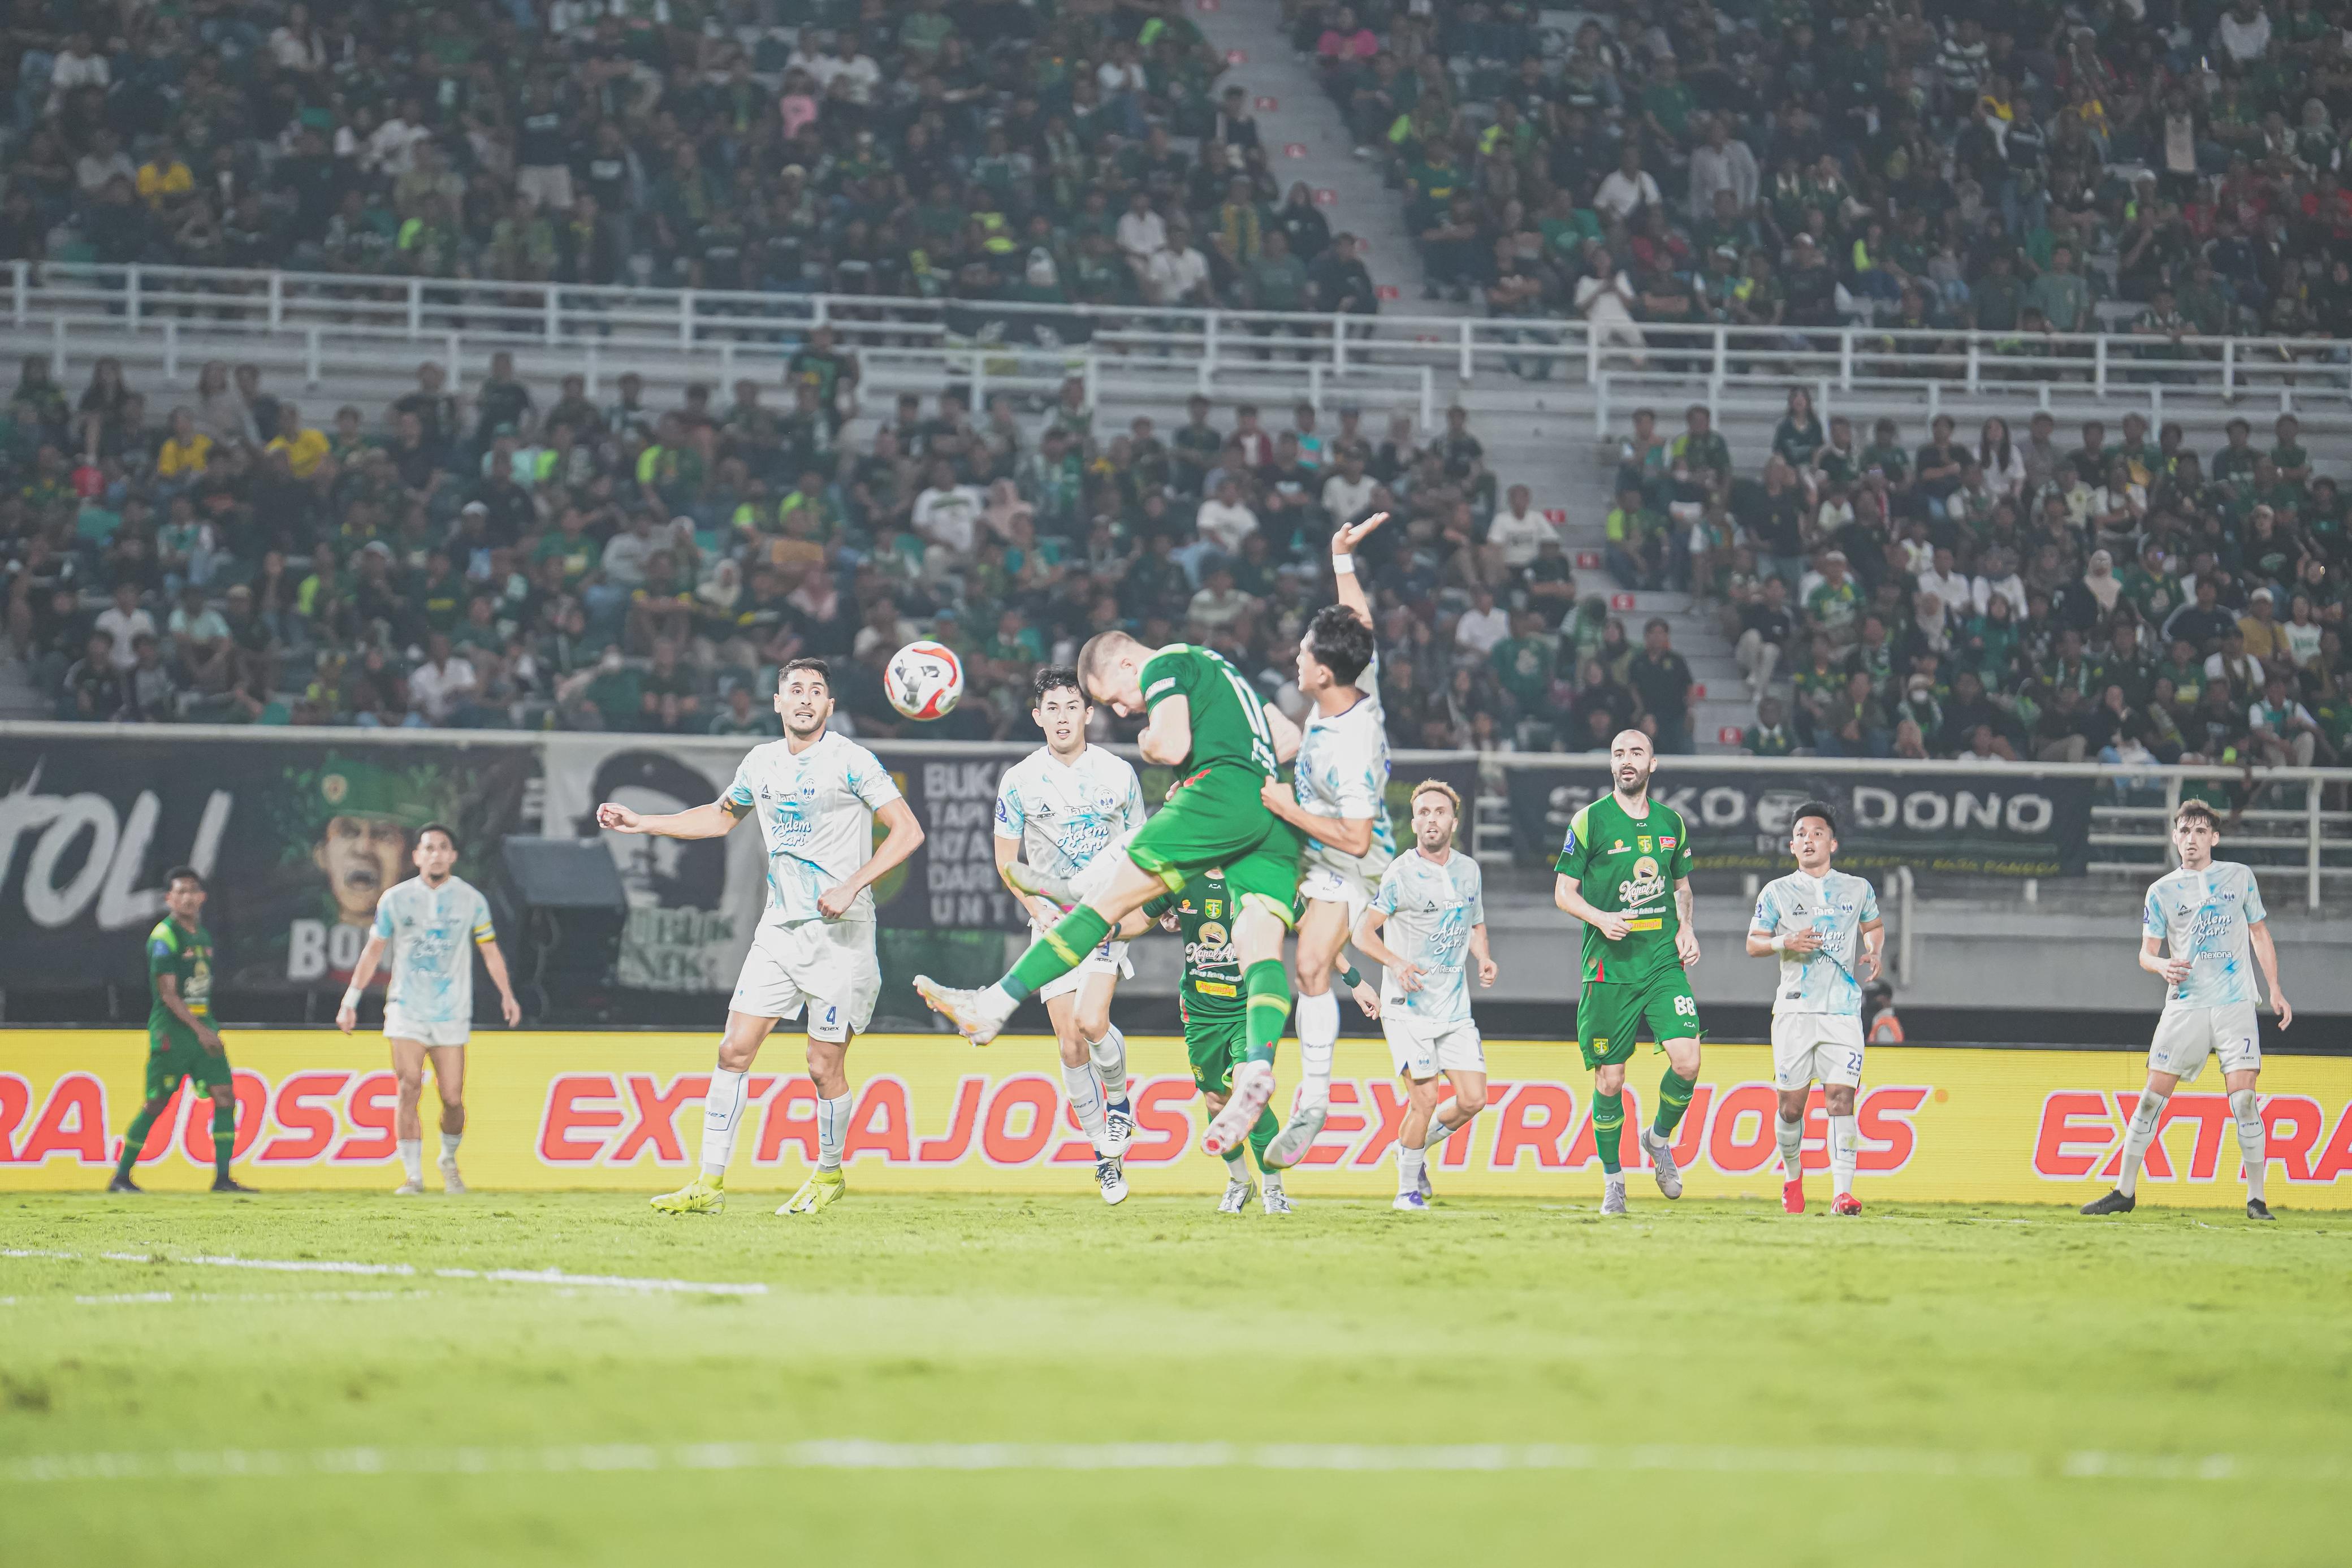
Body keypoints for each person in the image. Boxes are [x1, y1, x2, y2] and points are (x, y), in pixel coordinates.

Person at [918, 632, 1307, 1160]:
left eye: (1115, 698)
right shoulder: (1225, 668)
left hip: (1216, 797)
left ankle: (992, 1006)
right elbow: (1287, 739)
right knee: (1259, 942)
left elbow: (1166, 746)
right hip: (1270, 808)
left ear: (1127, 663)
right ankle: (1260, 1063)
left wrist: (1156, 744)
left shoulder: (1167, 663)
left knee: (1101, 905)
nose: (1124, 709)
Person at [600, 659, 925, 1217]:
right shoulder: (761, 762)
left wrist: (852, 884)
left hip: (840, 934)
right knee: (733, 1050)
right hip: (778, 930)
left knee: (822, 1066)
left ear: (828, 706)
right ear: (776, 702)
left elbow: (908, 830)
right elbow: (720, 818)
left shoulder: (850, 759)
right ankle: (708, 1183)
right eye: (794, 689)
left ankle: (828, 1174)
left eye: (815, 691)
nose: (804, 698)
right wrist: (642, 822)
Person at [1252, 513, 1392, 1168]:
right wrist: (1340, 559)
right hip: (1320, 850)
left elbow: (1360, 838)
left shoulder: (1350, 749)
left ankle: (1313, 1101)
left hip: (1350, 862)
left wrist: (1284, 804)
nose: (1297, 657)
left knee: (1309, 965)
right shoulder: (1351, 687)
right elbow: (1358, 626)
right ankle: (1306, 1093)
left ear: (1324, 675)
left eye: (1305, 654)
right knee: (1307, 964)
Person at [2083, 800, 2292, 1221]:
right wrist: (2162, 966)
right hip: (2186, 1007)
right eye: (2185, 831)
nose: (2192, 839)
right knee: (2149, 1102)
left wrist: (2275, 989)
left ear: (2214, 838)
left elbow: (2260, 934)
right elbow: (2146, 954)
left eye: (2200, 831)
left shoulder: (2239, 877)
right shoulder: (2161, 891)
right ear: (2175, 838)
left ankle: (2257, 1200)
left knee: (2246, 1101)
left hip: (2234, 1003)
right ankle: (2124, 1191)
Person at [992, 668, 1148, 1205]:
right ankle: (1105, 1156)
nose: (1062, 716)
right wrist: (1037, 906)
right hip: (1051, 921)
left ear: (1089, 714)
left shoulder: (1119, 774)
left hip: (1104, 915)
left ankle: (1122, 1103)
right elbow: (1005, 861)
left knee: (1090, 1020)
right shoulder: (1018, 780)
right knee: (1069, 1040)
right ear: (1038, 718)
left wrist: (1136, 910)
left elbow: (1138, 852)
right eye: (1051, 708)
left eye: (1071, 706)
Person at [1133, 870, 1376, 1215]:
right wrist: (1102, 929)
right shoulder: (1182, 876)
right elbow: (1136, 917)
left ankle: (1273, 1189)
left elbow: (1315, 934)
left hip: (1250, 1008)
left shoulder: (1261, 874)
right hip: (1201, 1012)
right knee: (1218, 1101)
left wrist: (1355, 980)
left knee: (1249, 1087)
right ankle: (1239, 1182)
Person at [1551, 729, 1704, 1216]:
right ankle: (1614, 1181)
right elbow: (1563, 892)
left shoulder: (1671, 823)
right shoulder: (1590, 820)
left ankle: (1658, 1140)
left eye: (1636, 753)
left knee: (1688, 1061)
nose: (1627, 761)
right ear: (1612, 765)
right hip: (1608, 968)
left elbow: (1682, 886)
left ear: (1652, 764)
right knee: (1610, 1081)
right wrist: (1601, 918)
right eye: (1619, 754)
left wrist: (1687, 928)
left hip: (1661, 962)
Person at [335, 823, 522, 1196]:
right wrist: (350, 1001)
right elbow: (374, 951)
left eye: (442, 847)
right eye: (428, 848)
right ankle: (413, 1177)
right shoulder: (395, 899)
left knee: (452, 1098)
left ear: (452, 856)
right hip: (407, 1009)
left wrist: (507, 994)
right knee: (408, 1087)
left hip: (452, 1011)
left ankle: (448, 1160)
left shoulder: (471, 900)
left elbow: (489, 950)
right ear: (417, 856)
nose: (435, 854)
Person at [1351, 781, 1495, 1213]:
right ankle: (1406, 1191)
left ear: (1454, 820)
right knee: (1425, 1099)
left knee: (1473, 1099)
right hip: (1406, 1009)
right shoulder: (1401, 873)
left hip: (1454, 1008)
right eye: (1424, 813)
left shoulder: (1470, 870)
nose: (1431, 819)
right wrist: (1396, 964)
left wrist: (1484, 957)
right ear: (1413, 822)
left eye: (1439, 812)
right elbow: (1361, 932)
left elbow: (1474, 923)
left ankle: (1409, 1151)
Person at [1746, 803, 1885, 1216]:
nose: (1809, 839)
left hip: (1842, 1011)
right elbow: (1754, 943)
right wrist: (1784, 942)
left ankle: (1843, 1194)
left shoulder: (1858, 888)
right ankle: (1793, 1179)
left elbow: (1872, 926)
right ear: (1792, 846)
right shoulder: (1776, 892)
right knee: (1791, 1107)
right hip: (1794, 1012)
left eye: (1817, 833)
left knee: (1842, 1098)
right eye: (1802, 834)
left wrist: (1874, 951)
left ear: (1833, 843)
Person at [109, 868, 252, 1194]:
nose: (187, 898)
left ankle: (223, 1179)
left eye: (193, 891)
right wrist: (201, 1030)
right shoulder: (164, 936)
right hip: (173, 1033)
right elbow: (168, 994)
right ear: (169, 898)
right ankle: (120, 1177)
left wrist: (208, 1027)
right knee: (156, 1103)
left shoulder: (202, 936)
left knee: (225, 1096)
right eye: (180, 892)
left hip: (203, 1026)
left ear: (202, 897)